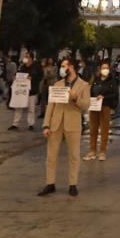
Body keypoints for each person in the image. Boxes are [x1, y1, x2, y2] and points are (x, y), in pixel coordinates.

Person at [39, 58, 90, 197]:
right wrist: (46, 125)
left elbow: (86, 106)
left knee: (74, 155)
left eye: (64, 66)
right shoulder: (57, 84)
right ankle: (50, 183)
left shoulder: (83, 85)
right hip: (56, 124)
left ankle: (72, 184)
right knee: (51, 155)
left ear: (71, 67)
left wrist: (75, 98)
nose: (62, 69)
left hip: (73, 123)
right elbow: (51, 106)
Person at [83, 59, 119, 162]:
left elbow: (115, 94)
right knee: (93, 129)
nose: (105, 70)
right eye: (103, 68)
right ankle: (92, 150)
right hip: (94, 106)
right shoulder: (96, 79)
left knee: (104, 129)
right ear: (99, 69)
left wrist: (104, 97)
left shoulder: (112, 80)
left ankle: (102, 151)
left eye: (107, 68)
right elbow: (91, 91)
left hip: (105, 106)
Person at [9, 51, 41, 131]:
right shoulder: (22, 66)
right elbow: (18, 74)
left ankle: (31, 124)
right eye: (25, 57)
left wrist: (32, 78)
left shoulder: (36, 67)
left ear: (31, 58)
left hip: (31, 90)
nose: (25, 58)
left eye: (27, 57)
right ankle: (15, 124)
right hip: (21, 90)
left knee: (31, 108)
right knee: (18, 107)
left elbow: (40, 76)